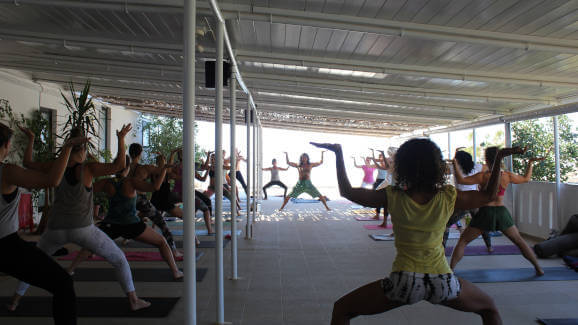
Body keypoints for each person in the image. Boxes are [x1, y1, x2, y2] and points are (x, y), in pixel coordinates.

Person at [311, 139, 519, 325]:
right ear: (437, 166)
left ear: (403, 166)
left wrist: (338, 154)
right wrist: (498, 158)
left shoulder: (392, 195)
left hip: (404, 281)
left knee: (342, 309)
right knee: (489, 308)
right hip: (442, 281)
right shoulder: (448, 195)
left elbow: (347, 192)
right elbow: (489, 196)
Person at [12, 124, 151, 312]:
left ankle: (15, 300)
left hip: (54, 230)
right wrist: (120, 138)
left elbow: (27, 163)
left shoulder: (55, 166)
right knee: (119, 259)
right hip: (82, 229)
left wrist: (31, 139)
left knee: (35, 263)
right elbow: (119, 166)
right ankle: (134, 300)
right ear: (84, 149)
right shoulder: (88, 169)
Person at [1, 124, 84, 324]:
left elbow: (29, 163)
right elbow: (52, 180)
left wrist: (31, 140)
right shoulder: (7, 172)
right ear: (6, 145)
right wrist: (67, 148)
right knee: (63, 283)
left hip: (10, 245)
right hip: (5, 245)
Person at [66, 155, 183, 280]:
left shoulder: (106, 183)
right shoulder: (130, 182)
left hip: (111, 224)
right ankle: (176, 272)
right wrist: (164, 169)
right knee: (162, 242)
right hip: (131, 224)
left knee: (91, 246)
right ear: (126, 168)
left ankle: (70, 269)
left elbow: (86, 190)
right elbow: (155, 187)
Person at [450, 146, 545, 276]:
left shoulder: (483, 177)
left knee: (463, 241)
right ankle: (538, 268)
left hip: (485, 212)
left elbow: (461, 180)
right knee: (520, 241)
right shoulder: (507, 176)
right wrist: (530, 163)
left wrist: (455, 164)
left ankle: (450, 270)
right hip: (501, 212)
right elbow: (526, 179)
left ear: (487, 159)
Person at [128, 143, 182, 258]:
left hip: (126, 199)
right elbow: (162, 170)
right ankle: (174, 251)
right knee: (163, 226)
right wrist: (167, 165)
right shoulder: (144, 169)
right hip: (140, 201)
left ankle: (92, 249)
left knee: (115, 223)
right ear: (140, 153)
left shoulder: (124, 166)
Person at [443, 149, 492, 251]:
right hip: (476, 201)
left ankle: (442, 248)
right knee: (482, 224)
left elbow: (442, 170)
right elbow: (488, 168)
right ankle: (489, 247)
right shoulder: (477, 167)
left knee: (446, 224)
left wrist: (451, 161)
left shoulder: (454, 167)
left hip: (463, 202)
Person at [370, 149, 388, 220]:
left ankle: (383, 216)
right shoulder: (378, 165)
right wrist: (372, 153)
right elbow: (374, 160)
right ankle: (377, 214)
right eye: (380, 157)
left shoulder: (387, 165)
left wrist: (382, 153)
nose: (381, 159)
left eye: (382, 158)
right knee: (377, 198)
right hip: (378, 181)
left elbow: (376, 159)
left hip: (384, 182)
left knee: (385, 199)